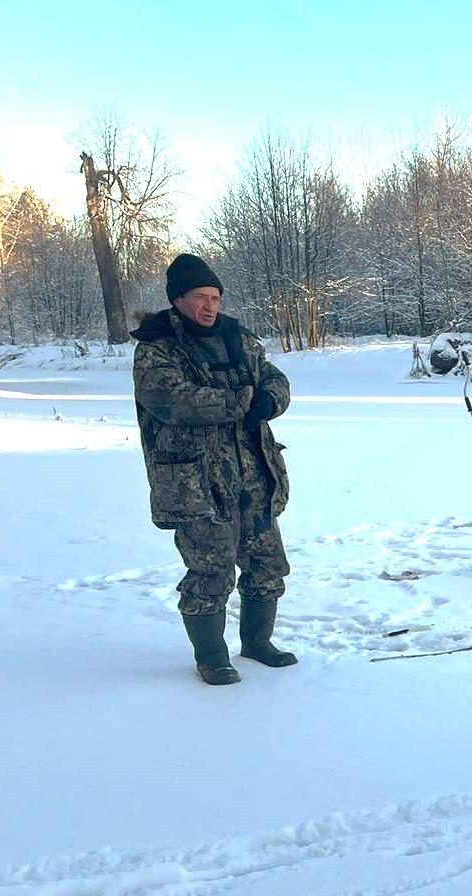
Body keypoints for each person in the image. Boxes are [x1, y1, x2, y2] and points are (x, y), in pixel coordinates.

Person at [132, 254, 297, 685]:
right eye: (201, 297)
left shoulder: (238, 338)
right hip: (197, 483)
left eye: (216, 297)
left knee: (266, 563)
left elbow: (276, 379)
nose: (211, 306)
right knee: (210, 571)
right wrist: (240, 400)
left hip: (254, 473)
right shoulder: (156, 348)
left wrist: (270, 400)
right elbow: (172, 400)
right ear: (178, 300)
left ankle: (258, 643)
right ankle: (211, 655)